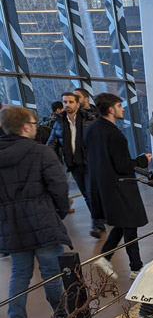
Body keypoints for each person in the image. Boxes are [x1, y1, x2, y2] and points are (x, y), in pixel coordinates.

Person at [0, 105, 71, 318]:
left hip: (12, 225)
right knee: (52, 273)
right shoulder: (40, 152)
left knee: (19, 274)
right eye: (33, 122)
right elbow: (59, 188)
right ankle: (63, 317)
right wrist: (58, 213)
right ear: (25, 126)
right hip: (43, 219)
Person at [84, 93, 151, 281]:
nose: (122, 109)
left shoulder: (91, 130)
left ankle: (105, 257)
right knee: (130, 226)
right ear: (111, 109)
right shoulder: (115, 135)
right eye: (120, 105)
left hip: (103, 186)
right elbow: (123, 166)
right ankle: (136, 268)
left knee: (123, 225)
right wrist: (142, 160)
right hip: (121, 187)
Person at [47, 91, 104, 236]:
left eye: (71, 102)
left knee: (91, 194)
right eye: (65, 102)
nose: (67, 105)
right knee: (86, 195)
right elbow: (52, 143)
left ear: (77, 104)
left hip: (89, 162)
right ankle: (100, 221)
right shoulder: (59, 122)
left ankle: (97, 225)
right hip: (73, 164)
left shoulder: (88, 119)